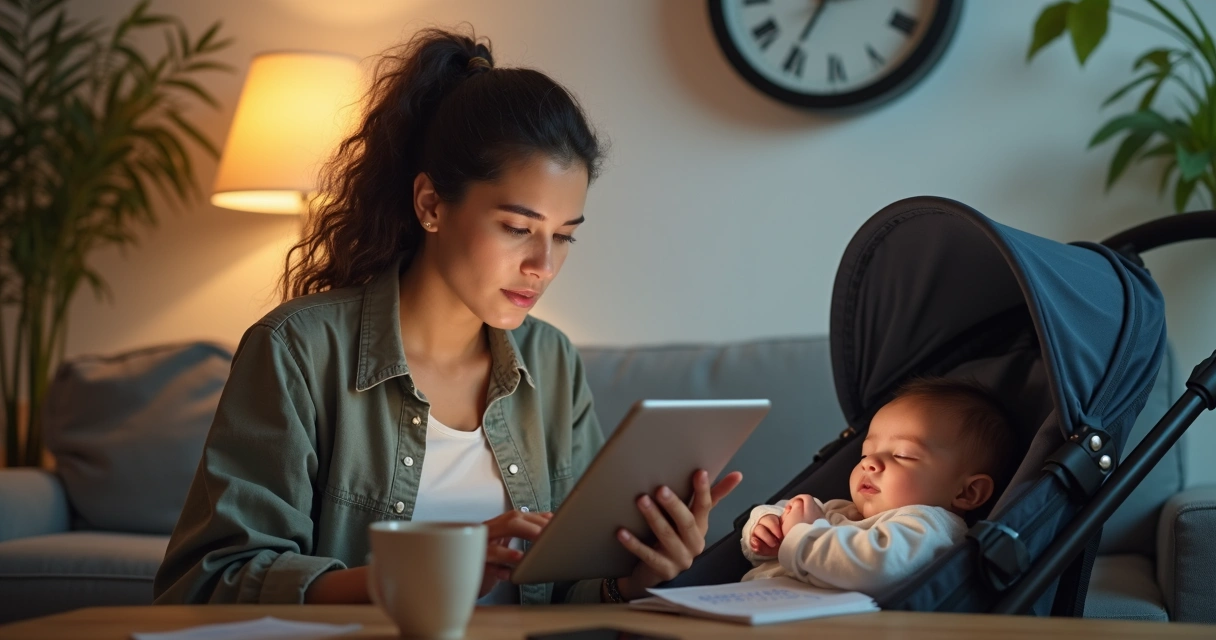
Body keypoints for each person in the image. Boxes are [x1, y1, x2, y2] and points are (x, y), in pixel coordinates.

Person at [153, 28, 741, 607]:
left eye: (564, 236)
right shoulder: (297, 349)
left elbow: (569, 587)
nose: (543, 266)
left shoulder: (552, 362)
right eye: (517, 228)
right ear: (431, 204)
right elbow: (209, 583)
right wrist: (428, 569)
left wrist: (629, 581)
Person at [740, 378, 1017, 594]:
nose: (870, 463)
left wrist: (804, 534)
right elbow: (781, 521)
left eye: (903, 455)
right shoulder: (842, 510)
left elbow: (876, 567)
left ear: (967, 492)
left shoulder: (929, 528)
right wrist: (767, 526)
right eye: (865, 454)